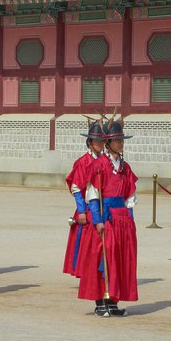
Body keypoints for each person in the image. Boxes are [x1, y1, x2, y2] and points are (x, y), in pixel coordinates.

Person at [80, 117, 138, 317]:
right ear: (108, 143)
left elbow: (130, 195)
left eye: (122, 140)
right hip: (106, 219)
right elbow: (93, 196)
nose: (121, 143)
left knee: (120, 260)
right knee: (104, 258)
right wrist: (97, 220)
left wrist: (129, 218)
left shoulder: (125, 167)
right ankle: (101, 301)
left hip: (122, 220)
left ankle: (113, 300)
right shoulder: (99, 166)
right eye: (117, 140)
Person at [63, 118, 105, 278]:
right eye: (97, 141)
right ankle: (83, 270)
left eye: (102, 141)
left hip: (103, 206)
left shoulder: (104, 161)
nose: (100, 144)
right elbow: (76, 188)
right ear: (90, 142)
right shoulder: (83, 162)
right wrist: (81, 211)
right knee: (85, 241)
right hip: (87, 207)